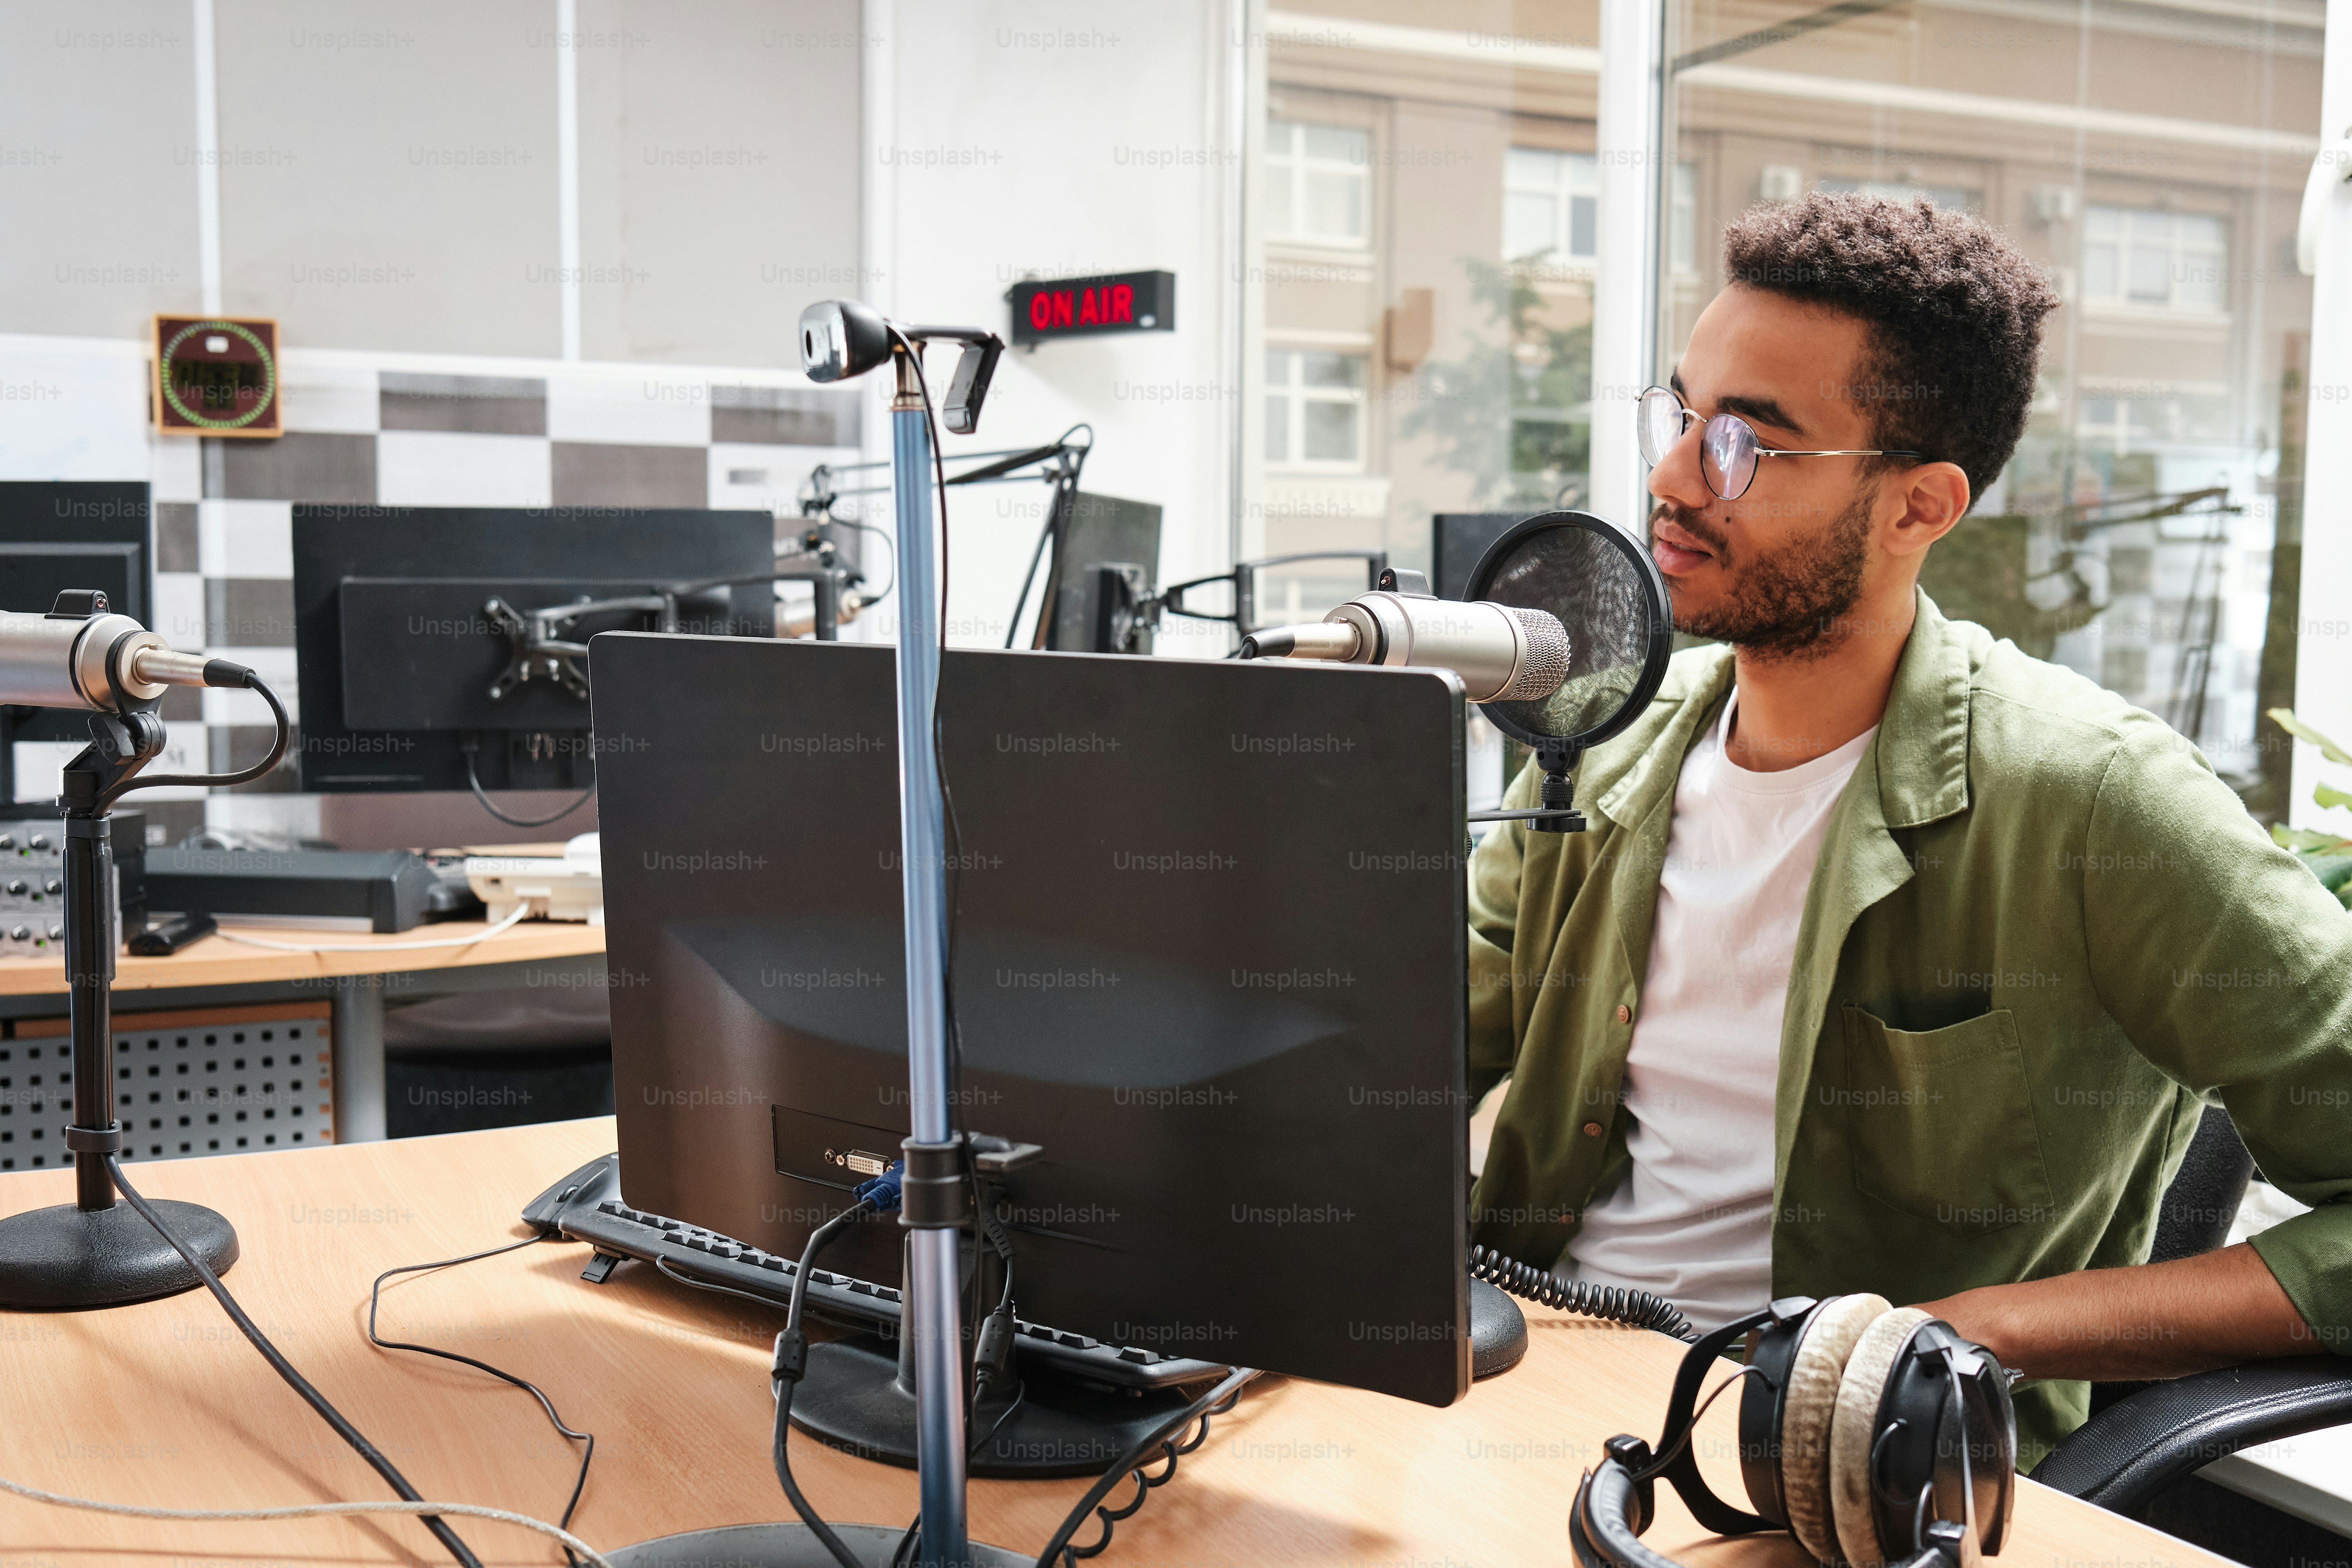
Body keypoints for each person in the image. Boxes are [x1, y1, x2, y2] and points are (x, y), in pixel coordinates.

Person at [1465, 190, 2352, 1463]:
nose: (1668, 480)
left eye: (1746, 446)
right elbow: (1408, 1038)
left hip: (1842, 1467)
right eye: (1681, 417)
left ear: (1920, 508)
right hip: (1521, 1387)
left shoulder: (2093, 799)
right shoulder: (1607, 735)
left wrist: (1986, 1326)